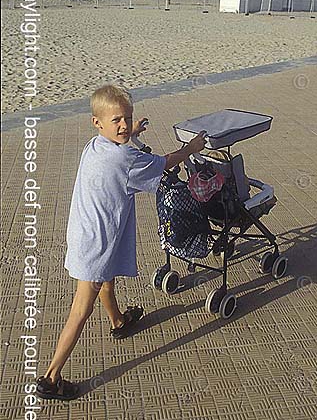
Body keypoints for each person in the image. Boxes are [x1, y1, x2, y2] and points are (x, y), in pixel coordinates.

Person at [36, 85, 206, 400]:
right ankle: (50, 377)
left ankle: (118, 321)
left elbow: (126, 148)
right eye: (117, 121)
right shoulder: (125, 158)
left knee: (106, 282)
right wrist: (192, 148)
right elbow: (165, 162)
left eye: (127, 118)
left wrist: (133, 131)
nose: (124, 126)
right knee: (80, 310)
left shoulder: (95, 145)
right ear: (96, 122)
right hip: (96, 245)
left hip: (86, 233)